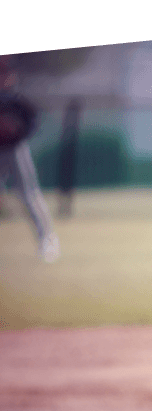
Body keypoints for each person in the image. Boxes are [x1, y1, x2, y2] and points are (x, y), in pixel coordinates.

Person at [0, 55, 60, 263]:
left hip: (15, 149)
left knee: (29, 195)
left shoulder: (16, 101)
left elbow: (32, 121)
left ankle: (47, 240)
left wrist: (16, 130)